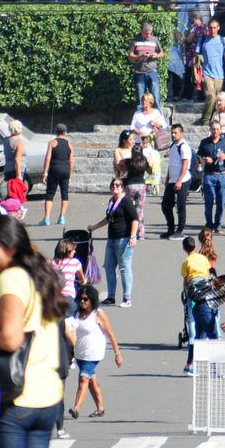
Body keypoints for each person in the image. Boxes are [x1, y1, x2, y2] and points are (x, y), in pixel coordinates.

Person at [64, 283, 122, 420]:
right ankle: (100, 408)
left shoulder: (99, 314)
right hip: (80, 352)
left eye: (86, 299)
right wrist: (70, 353)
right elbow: (73, 334)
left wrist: (117, 353)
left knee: (83, 378)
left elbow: (110, 334)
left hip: (94, 352)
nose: (82, 301)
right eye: (80, 299)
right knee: (91, 380)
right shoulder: (77, 314)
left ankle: (76, 408)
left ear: (92, 300)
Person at [89, 179, 140, 308]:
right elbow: (109, 218)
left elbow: (135, 219)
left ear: (122, 188)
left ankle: (127, 298)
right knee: (109, 268)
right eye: (113, 185)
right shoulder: (111, 201)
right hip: (111, 240)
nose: (115, 187)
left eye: (118, 185)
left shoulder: (126, 201)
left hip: (123, 239)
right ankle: (111, 297)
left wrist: (133, 236)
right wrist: (95, 227)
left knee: (124, 268)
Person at [161, 123, 194, 238]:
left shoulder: (184, 146)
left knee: (180, 206)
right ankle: (171, 228)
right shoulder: (172, 146)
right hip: (172, 179)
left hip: (182, 180)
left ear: (181, 133)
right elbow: (171, 165)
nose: (173, 135)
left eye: (176, 133)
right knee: (166, 205)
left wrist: (179, 181)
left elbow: (185, 165)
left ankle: (180, 230)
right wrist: (167, 179)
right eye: (172, 132)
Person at [40, 124, 75, 227]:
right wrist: (70, 173)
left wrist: (45, 173)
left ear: (56, 132)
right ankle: (62, 217)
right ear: (65, 132)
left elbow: (48, 158)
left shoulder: (52, 143)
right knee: (65, 194)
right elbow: (72, 161)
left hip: (54, 169)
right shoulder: (69, 144)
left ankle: (46, 218)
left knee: (50, 194)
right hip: (65, 170)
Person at [129, 22, 165, 115]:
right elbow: (130, 56)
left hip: (152, 71)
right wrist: (140, 56)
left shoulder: (154, 40)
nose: (148, 35)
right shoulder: (135, 41)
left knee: (156, 97)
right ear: (142, 31)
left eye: (150, 33)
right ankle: (139, 120)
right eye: (147, 33)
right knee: (140, 99)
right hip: (139, 72)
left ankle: (159, 119)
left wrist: (155, 55)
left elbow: (162, 53)